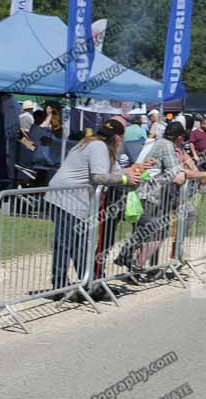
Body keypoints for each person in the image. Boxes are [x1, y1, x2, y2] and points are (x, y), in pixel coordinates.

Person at [45, 118, 146, 301]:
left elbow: (114, 172)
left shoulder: (97, 144)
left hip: (74, 198)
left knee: (80, 245)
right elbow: (99, 177)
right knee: (66, 244)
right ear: (117, 137)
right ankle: (59, 286)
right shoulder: (98, 147)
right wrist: (125, 180)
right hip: (66, 198)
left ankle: (90, 283)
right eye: (121, 138)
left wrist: (134, 170)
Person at [115, 121, 206, 273]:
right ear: (180, 137)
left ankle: (136, 262)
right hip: (148, 194)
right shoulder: (166, 145)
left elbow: (179, 170)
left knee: (153, 229)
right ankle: (130, 260)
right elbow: (176, 175)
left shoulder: (163, 143)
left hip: (150, 194)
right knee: (153, 228)